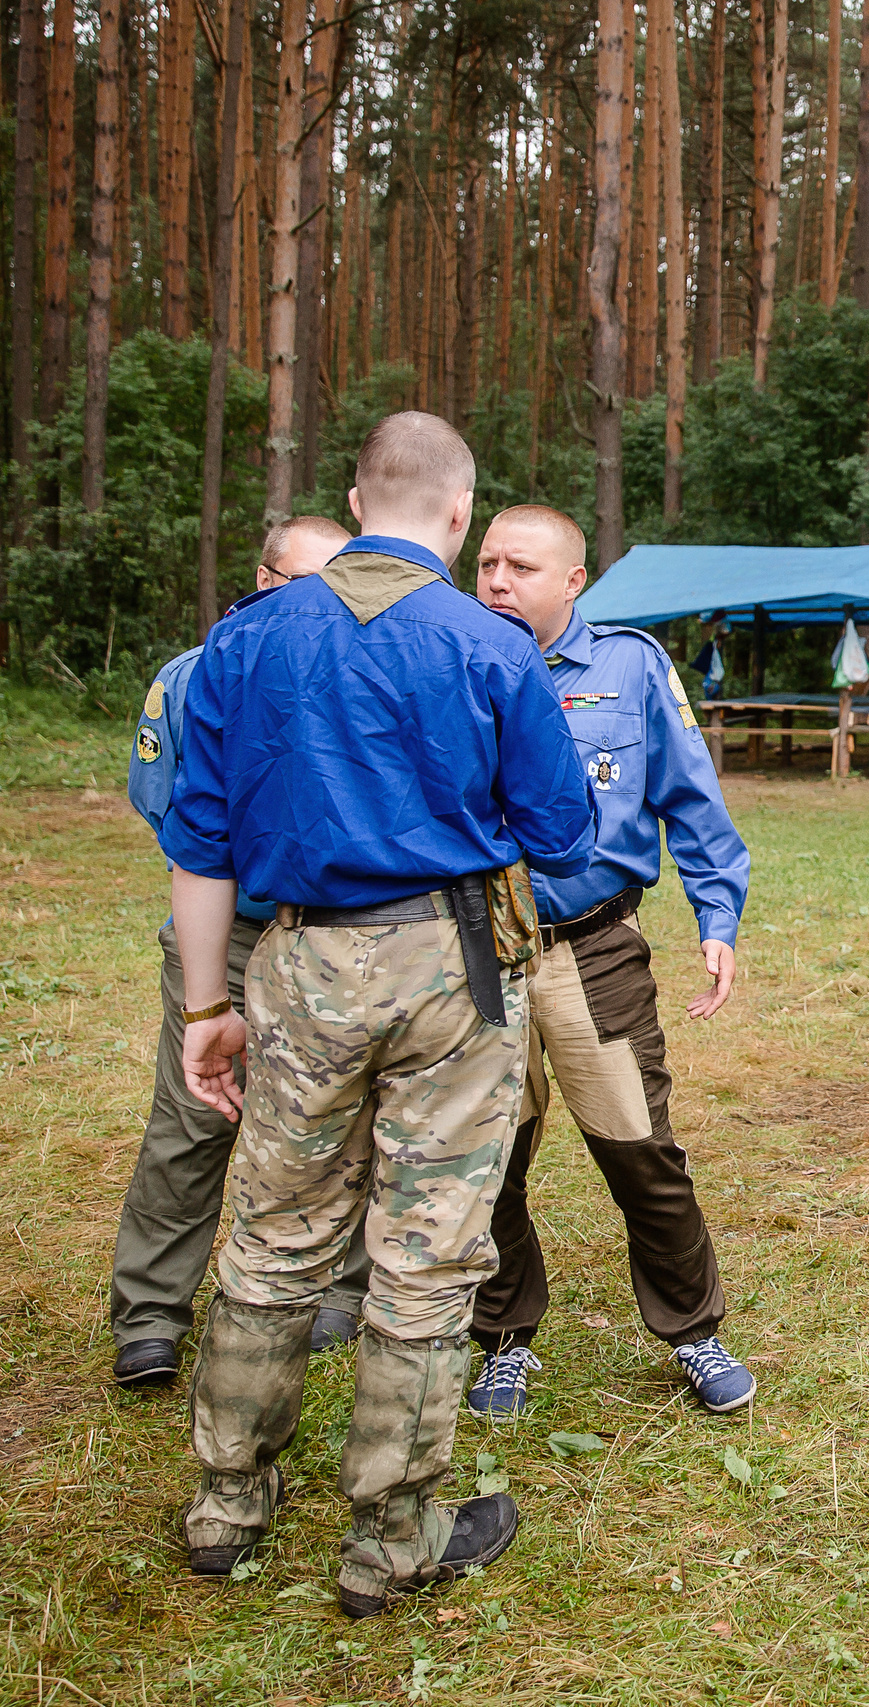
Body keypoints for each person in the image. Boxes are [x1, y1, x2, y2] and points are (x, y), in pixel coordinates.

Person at [156, 412, 596, 1616]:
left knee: (274, 1228)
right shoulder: (491, 646)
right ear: (459, 517)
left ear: (356, 500)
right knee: (425, 1245)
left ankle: (227, 1501)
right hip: (449, 966)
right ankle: (393, 1534)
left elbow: (198, 845)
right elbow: (564, 834)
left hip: (295, 962)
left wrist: (206, 1005)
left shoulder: (242, 644)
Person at [464, 504, 757, 1418]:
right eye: (487, 564)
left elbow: (690, 797)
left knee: (639, 1149)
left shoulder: (629, 665)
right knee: (484, 1157)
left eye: (521, 567)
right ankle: (504, 1339)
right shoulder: (452, 659)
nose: (499, 582)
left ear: (572, 582)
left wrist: (718, 913)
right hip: (479, 950)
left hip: (594, 949)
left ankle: (694, 1328)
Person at [111, 515, 370, 1388]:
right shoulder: (193, 678)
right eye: (303, 584)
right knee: (191, 1122)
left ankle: (340, 1288)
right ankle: (149, 1312)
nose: (321, 604)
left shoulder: (356, 669)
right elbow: (165, 805)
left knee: (332, 1115)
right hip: (225, 932)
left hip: (329, 930)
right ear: (263, 579)